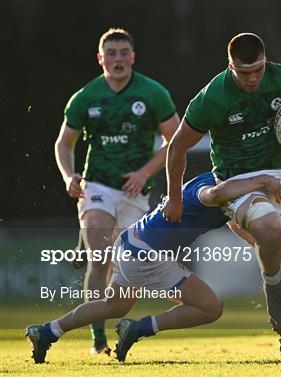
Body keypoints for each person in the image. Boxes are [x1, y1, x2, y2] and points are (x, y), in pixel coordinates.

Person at [163, 33, 281, 356]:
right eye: (245, 73)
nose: (253, 79)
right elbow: (177, 148)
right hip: (236, 180)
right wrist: (174, 197)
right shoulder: (212, 98)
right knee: (270, 227)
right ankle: (272, 288)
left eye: (258, 70)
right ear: (231, 66)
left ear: (265, 63)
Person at [26, 172, 281, 364]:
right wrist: (264, 180)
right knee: (211, 308)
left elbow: (243, 228)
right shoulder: (215, 187)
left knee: (112, 306)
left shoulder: (227, 189)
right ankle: (138, 328)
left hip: (130, 243)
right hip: (147, 254)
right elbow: (214, 195)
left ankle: (47, 331)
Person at [54, 28, 180, 354]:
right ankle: (98, 340)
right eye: (111, 53)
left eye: (124, 53)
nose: (118, 59)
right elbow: (64, 144)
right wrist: (69, 176)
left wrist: (143, 172)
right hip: (97, 185)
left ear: (133, 57)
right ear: (100, 59)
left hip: (136, 193)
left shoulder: (153, 93)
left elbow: (175, 142)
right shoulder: (85, 97)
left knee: (122, 269)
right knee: (100, 257)